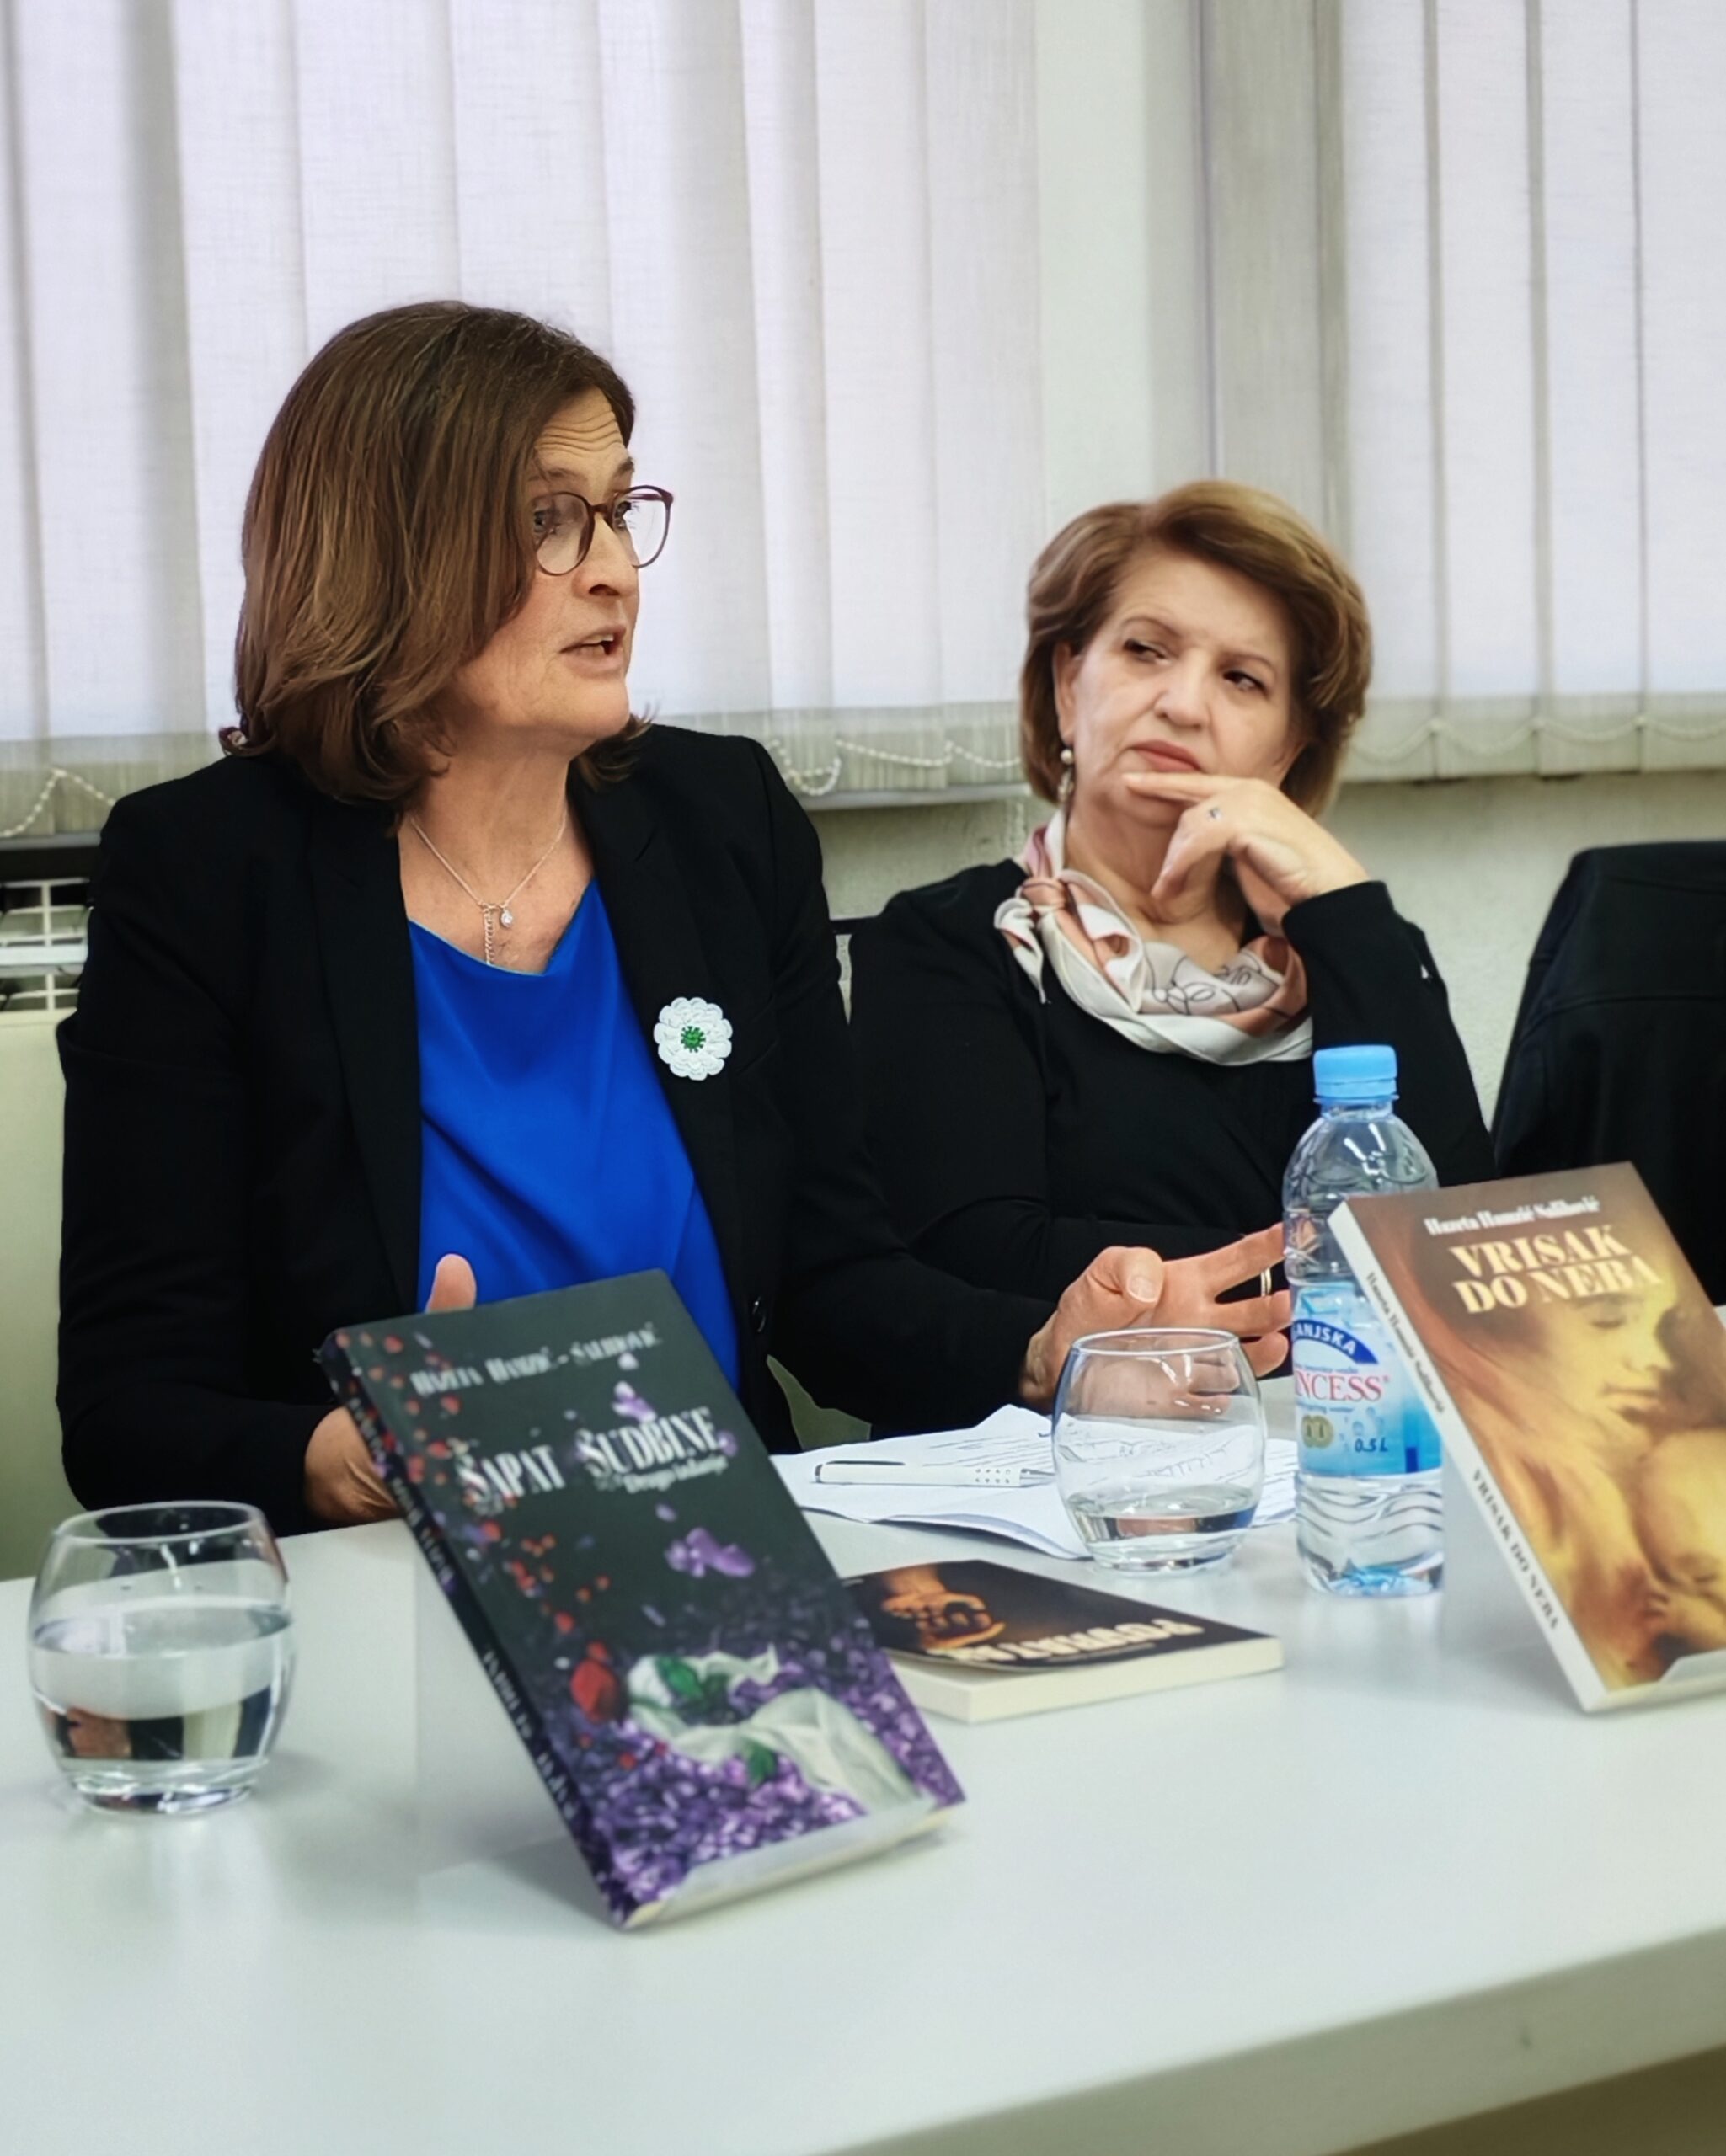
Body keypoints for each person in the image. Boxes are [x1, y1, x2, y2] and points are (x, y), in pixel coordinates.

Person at [57, 304, 1290, 1536]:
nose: (612, 568)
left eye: (617, 510)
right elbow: (130, 1407)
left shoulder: (719, 822)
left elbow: (832, 1281)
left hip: (726, 1549)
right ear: (390, 552)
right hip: (402, 1568)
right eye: (547, 520)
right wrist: (347, 1455)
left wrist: (1045, 1351)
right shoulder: (206, 870)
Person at [847, 483, 1494, 1304]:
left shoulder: (1358, 950)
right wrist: (1340, 1267)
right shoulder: (949, 943)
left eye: (1242, 679)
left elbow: (1460, 1252)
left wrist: (1344, 903)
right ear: (1067, 685)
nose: (1183, 705)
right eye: (1146, 650)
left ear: (1288, 750)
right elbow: (979, 1256)